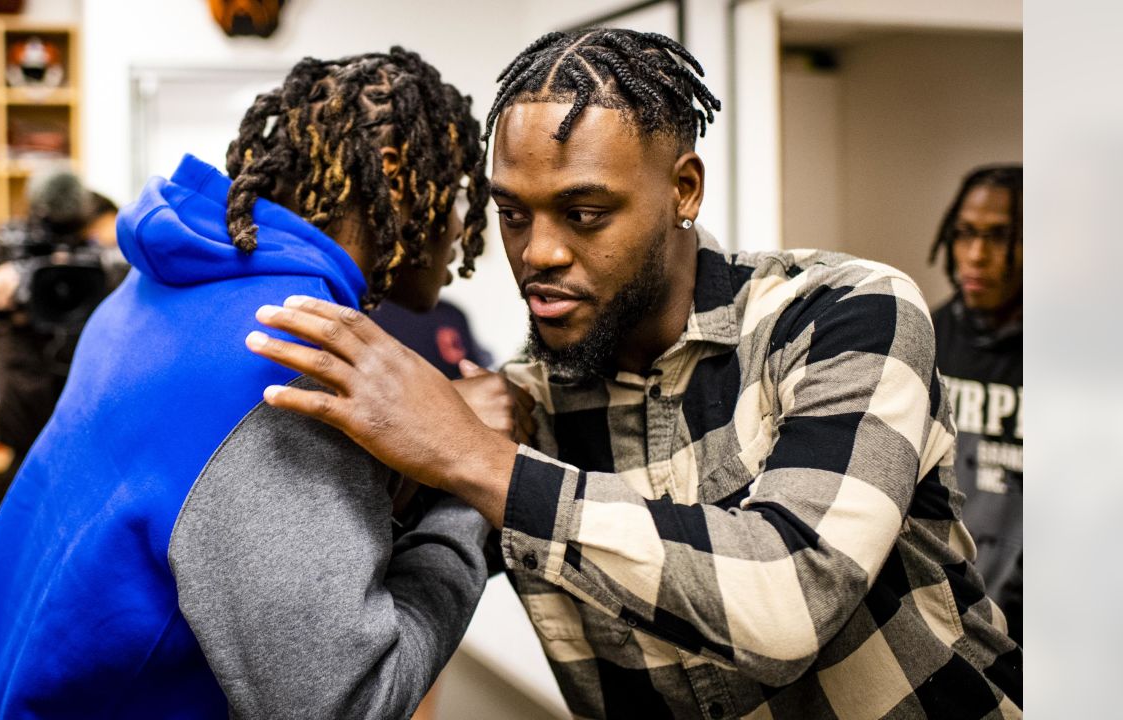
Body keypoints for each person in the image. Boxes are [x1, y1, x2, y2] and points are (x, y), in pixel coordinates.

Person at [247, 29, 1022, 719]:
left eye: (583, 212)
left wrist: (470, 457)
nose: (538, 252)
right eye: (512, 213)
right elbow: (352, 643)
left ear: (683, 189)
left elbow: (790, 601)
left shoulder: (844, 314)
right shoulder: (524, 408)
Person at [0, 47, 507, 719]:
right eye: (459, 198)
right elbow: (349, 704)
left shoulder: (169, 283)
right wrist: (465, 476)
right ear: (396, 176)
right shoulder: (294, 348)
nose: (460, 232)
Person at [0, 171, 122, 491]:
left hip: (84, 360)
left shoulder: (102, 223)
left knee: (79, 462)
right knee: (26, 466)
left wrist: (105, 261)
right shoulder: (18, 239)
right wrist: (2, 290)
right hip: (25, 365)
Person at [930, 165, 1023, 644]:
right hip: (947, 618)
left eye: (1001, 237)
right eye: (965, 234)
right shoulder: (925, 338)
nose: (977, 256)